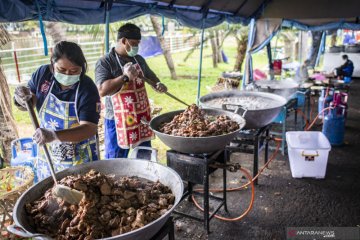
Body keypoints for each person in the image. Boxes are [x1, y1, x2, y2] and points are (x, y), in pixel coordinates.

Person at [14, 41, 100, 181]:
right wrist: (21, 99)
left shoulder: (87, 88)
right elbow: (30, 102)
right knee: (49, 193)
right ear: (52, 65)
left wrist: (54, 135)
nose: (67, 74)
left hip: (78, 155)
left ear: (82, 68)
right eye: (61, 70)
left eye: (74, 71)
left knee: (82, 192)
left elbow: (90, 128)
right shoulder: (43, 75)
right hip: (49, 152)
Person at [95, 23, 167, 159]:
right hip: (117, 120)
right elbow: (102, 90)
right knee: (116, 161)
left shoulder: (138, 59)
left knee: (143, 156)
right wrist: (125, 77)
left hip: (141, 118)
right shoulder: (106, 62)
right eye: (134, 43)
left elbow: (151, 78)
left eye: (138, 44)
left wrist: (158, 84)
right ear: (123, 41)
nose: (136, 47)